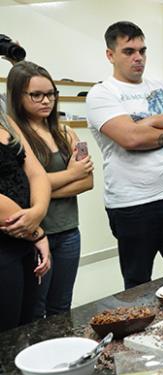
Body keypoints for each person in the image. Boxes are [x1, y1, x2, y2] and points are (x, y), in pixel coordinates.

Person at [86, 21, 163, 289]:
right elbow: (131, 138)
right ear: (110, 55)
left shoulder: (162, 86)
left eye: (142, 50)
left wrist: (151, 121)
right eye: (129, 51)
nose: (138, 57)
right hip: (132, 206)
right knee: (139, 287)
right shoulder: (102, 94)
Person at [6, 61, 93, 319]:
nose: (46, 101)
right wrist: (70, 175)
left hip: (67, 232)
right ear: (17, 95)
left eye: (51, 94)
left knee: (61, 308)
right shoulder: (12, 134)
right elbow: (19, 188)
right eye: (36, 95)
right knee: (34, 312)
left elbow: (87, 181)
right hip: (32, 234)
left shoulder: (64, 132)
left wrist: (39, 189)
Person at [0, 111, 51, 332]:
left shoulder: (4, 118)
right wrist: (36, 232)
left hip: (23, 240)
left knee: (25, 327)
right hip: (7, 241)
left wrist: (38, 211)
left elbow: (37, 173)